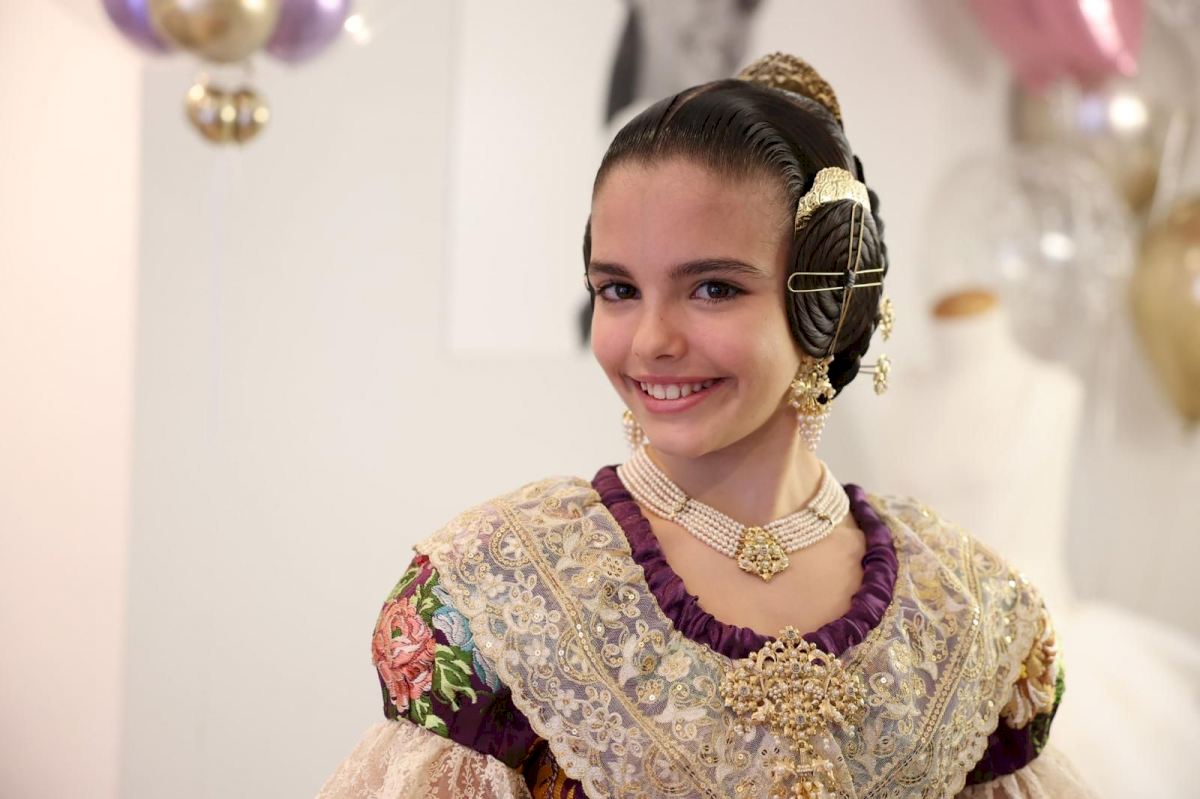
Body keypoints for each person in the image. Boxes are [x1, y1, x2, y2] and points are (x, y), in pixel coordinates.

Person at [317, 53, 1095, 799]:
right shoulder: (497, 587)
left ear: (828, 300)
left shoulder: (969, 609)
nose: (651, 340)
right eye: (618, 289)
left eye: (713, 288)